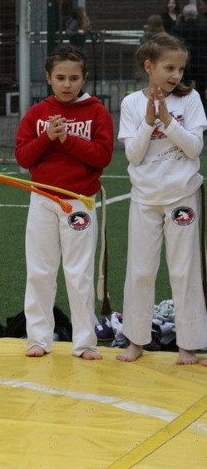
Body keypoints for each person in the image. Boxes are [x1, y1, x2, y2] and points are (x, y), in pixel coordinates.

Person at [14, 44, 114, 360]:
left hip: (79, 203)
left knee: (79, 273)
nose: (67, 84)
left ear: (84, 79)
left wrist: (67, 140)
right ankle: (38, 338)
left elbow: (102, 156)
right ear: (48, 78)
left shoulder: (96, 112)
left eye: (73, 78)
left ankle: (85, 342)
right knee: (40, 271)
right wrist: (47, 137)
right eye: (60, 77)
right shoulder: (37, 114)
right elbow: (23, 156)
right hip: (42, 199)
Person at [115, 33, 207, 365]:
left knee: (184, 271)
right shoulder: (131, 104)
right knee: (140, 270)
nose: (176, 76)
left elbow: (195, 148)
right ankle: (135, 341)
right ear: (149, 66)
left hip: (182, 194)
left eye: (181, 69)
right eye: (169, 68)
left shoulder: (191, 99)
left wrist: (168, 121)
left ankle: (189, 345)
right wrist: (150, 120)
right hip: (145, 197)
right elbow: (134, 156)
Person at [170, 4, 207, 104]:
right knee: (201, 92)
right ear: (196, 14)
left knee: (182, 90)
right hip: (202, 63)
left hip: (183, 64)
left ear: (184, 14)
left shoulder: (177, 29)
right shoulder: (204, 28)